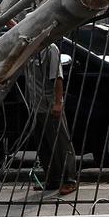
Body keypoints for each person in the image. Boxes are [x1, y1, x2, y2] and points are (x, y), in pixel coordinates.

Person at [26, 43, 78, 195]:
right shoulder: (28, 48)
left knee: (61, 143)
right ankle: (53, 179)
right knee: (44, 145)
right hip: (36, 105)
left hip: (50, 105)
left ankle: (70, 180)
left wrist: (58, 102)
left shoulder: (50, 49)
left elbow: (57, 78)